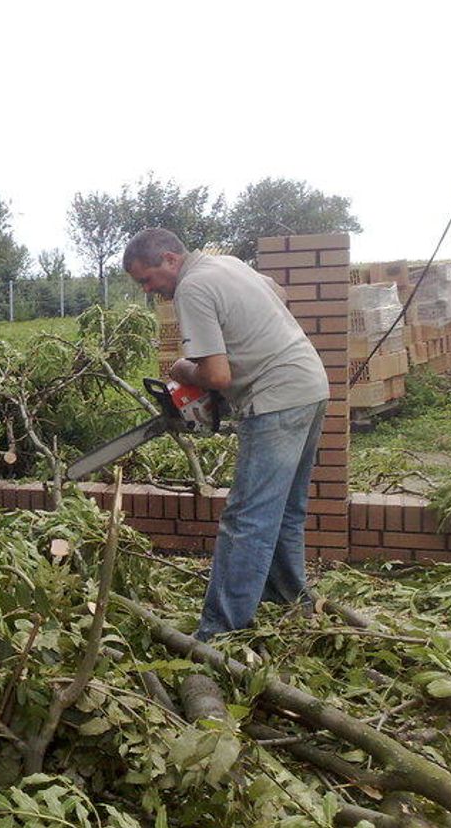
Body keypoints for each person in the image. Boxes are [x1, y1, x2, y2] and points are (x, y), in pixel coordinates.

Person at [122, 228, 329, 641]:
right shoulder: (227, 264)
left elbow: (216, 374)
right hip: (310, 385)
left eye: (147, 280)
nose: (149, 291)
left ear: (169, 259)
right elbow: (278, 295)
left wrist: (183, 370)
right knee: (286, 510)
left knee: (246, 518)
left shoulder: (192, 287)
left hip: (275, 400)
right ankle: (290, 600)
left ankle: (218, 631)